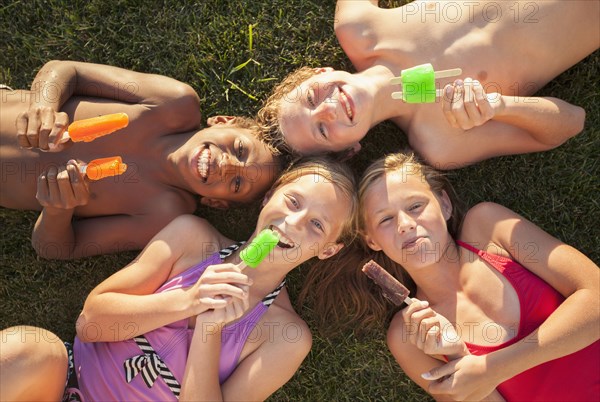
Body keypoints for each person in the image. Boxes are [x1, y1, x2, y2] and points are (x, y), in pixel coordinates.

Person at [0, 156, 358, 401]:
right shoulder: (191, 238)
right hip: (63, 381)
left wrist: (209, 330)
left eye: (317, 225)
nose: (293, 222)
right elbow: (91, 324)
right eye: (293, 202)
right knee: (28, 347)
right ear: (268, 198)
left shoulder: (287, 338)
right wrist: (188, 300)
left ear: (327, 250)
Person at [302, 152, 599, 401]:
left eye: (415, 206)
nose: (405, 224)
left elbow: (595, 298)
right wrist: (458, 356)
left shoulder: (489, 228)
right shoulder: (407, 336)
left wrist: (490, 368)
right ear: (372, 241)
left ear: (444, 204)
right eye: (386, 219)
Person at [257, 0, 598, 167]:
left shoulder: (358, 27)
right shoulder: (440, 141)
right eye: (322, 130)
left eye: (310, 97)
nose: (328, 108)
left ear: (320, 71)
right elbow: (571, 122)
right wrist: (501, 107)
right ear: (350, 150)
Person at [1, 60, 281, 259]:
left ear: (215, 202)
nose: (228, 166)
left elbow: (57, 249)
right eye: (240, 150)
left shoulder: (162, 214)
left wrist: (57, 210)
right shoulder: (174, 104)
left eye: (236, 184)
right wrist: (42, 105)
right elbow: (67, 70)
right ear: (222, 121)